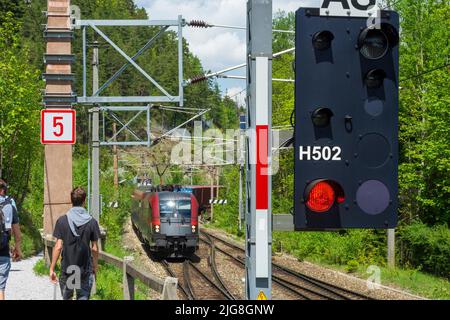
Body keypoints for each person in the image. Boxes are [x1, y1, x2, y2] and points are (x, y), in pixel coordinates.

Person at [49, 187, 100, 300]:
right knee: (83, 297)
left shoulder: (62, 221)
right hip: (85, 269)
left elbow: (58, 246)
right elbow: (95, 248)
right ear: (84, 201)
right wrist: (95, 266)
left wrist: (52, 268)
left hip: (68, 268)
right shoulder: (92, 222)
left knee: (68, 297)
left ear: (71, 200)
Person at [0, 179, 22, 300]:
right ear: (3, 190)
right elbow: (18, 235)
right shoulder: (10, 205)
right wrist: (17, 250)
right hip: (3, 252)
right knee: (0, 289)